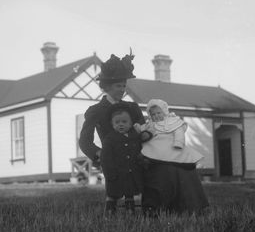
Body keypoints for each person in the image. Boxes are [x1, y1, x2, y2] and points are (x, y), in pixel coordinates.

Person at [78, 52, 146, 214]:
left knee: (136, 189)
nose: (122, 90)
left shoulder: (132, 108)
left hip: (134, 157)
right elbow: (85, 140)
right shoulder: (96, 111)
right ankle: (112, 210)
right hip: (112, 158)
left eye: (124, 86)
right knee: (114, 190)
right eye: (118, 86)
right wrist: (99, 154)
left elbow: (143, 132)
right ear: (107, 87)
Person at [135, 99, 209, 216]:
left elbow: (179, 133)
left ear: (164, 112)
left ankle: (187, 206)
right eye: (153, 114)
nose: (156, 116)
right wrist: (139, 129)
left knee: (184, 170)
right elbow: (142, 131)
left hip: (173, 147)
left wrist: (178, 144)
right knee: (158, 172)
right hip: (156, 148)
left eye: (159, 113)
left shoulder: (173, 122)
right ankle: (155, 207)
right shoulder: (150, 124)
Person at [100, 102, 147, 214]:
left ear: (131, 123)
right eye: (117, 122)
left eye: (124, 122)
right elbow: (105, 157)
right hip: (116, 172)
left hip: (132, 171)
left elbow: (141, 149)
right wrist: (109, 172)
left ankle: (130, 208)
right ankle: (110, 210)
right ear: (112, 124)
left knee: (129, 191)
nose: (120, 124)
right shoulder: (110, 139)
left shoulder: (135, 137)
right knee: (113, 192)